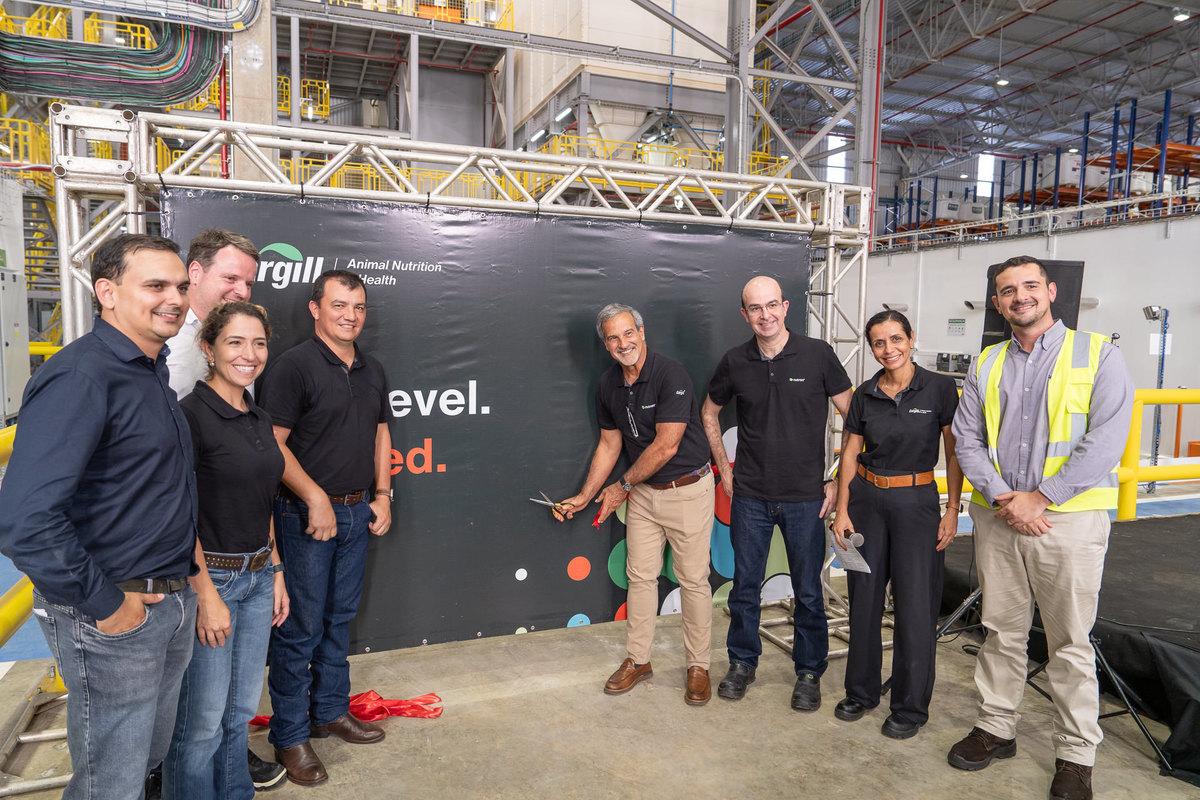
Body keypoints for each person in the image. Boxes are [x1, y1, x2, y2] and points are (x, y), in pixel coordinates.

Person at [0, 234, 198, 799]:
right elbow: (24, 519)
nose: (174, 299)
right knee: (110, 784)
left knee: (141, 766)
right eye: (155, 285)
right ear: (107, 292)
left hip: (166, 601)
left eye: (181, 286)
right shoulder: (82, 376)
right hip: (113, 614)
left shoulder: (149, 370)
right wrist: (109, 606)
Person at [949, 256, 1133, 800]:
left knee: (1070, 641)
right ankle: (996, 726)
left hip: (1066, 520)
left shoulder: (1099, 354)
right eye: (1008, 290)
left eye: (1030, 286)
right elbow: (966, 439)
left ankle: (1076, 755)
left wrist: (1042, 498)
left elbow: (1106, 439)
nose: (1020, 296)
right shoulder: (986, 362)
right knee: (1001, 631)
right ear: (997, 303)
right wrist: (1006, 498)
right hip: (1001, 517)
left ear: (1051, 291)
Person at [258, 269, 394, 786]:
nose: (350, 316)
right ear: (315, 309)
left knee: (339, 621)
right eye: (339, 305)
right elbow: (272, 444)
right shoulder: (292, 367)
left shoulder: (372, 368)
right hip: (303, 519)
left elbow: (381, 433)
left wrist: (383, 495)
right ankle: (290, 736)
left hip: (358, 513)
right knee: (300, 630)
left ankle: (330, 711)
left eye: (358, 307)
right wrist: (314, 498)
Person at [160, 229, 284, 792]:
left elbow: (263, 499)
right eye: (234, 343)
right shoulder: (188, 415)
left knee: (239, 717)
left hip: (257, 578)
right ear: (207, 349)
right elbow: (179, 513)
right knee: (201, 727)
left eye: (258, 344)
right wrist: (206, 594)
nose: (248, 355)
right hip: (213, 580)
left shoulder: (258, 416)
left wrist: (275, 570)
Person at [701, 275, 852, 711]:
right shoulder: (735, 361)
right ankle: (742, 663)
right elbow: (709, 413)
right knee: (744, 588)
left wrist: (836, 480)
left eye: (771, 305)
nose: (764, 315)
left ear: (785, 307)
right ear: (744, 314)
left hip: (806, 498)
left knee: (808, 591)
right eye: (755, 308)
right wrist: (724, 469)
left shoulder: (818, 354)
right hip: (750, 497)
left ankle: (809, 672)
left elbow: (856, 418)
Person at [555, 304, 716, 704]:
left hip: (687, 489)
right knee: (640, 578)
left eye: (628, 333)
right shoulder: (608, 385)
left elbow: (667, 445)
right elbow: (610, 444)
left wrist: (622, 486)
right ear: (605, 344)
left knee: (693, 581)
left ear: (642, 333)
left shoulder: (670, 374)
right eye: (613, 337)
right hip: (643, 494)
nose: (622, 343)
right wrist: (585, 496)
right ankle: (638, 660)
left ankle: (698, 666)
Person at [830, 309, 963, 739]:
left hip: (916, 504)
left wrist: (952, 508)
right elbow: (851, 453)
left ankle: (909, 707)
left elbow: (954, 452)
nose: (888, 349)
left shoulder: (940, 388)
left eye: (895, 339)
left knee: (915, 607)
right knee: (864, 601)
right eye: (879, 343)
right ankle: (861, 692)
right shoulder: (865, 394)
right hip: (867, 502)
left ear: (910, 338)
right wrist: (842, 510)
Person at [165, 228, 259, 399]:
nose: (243, 293)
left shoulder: (246, 339)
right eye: (231, 278)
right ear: (195, 273)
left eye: (249, 284)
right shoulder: (163, 334)